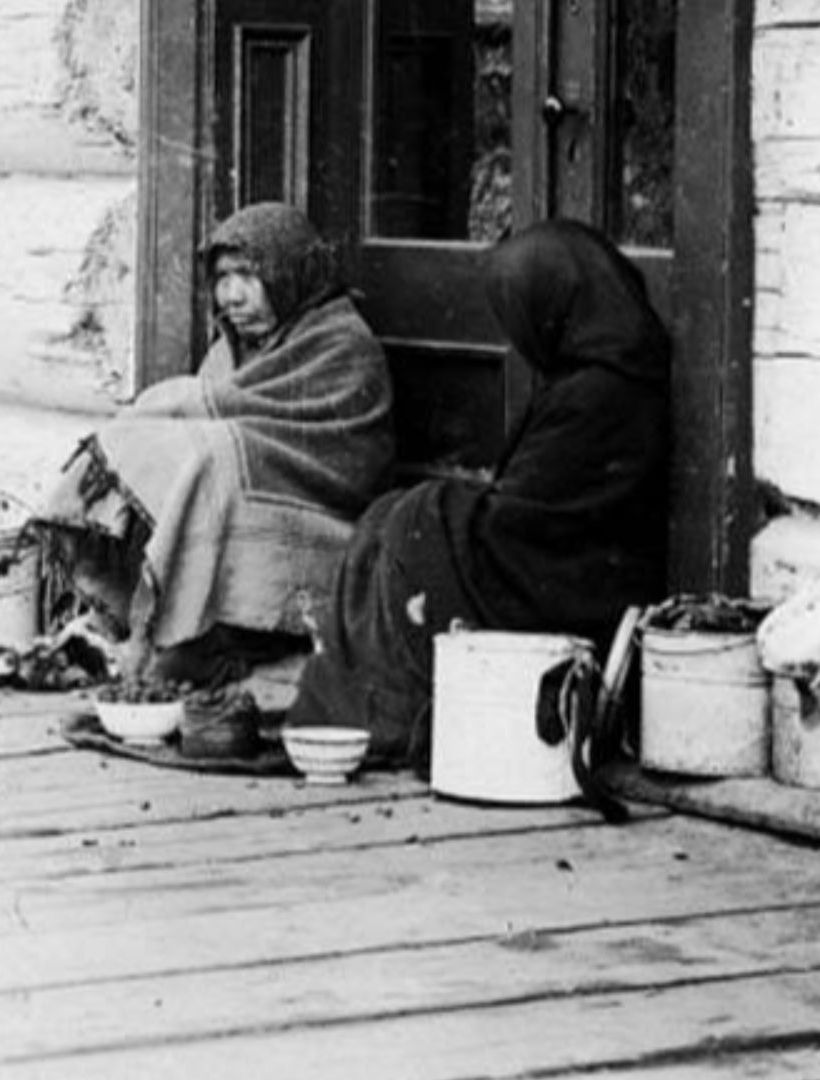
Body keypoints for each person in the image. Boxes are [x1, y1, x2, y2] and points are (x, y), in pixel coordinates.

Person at [286, 219, 672, 769]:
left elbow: (535, 522)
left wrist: (435, 508)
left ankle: (386, 715)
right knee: (397, 516)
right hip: (554, 562)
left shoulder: (604, 395)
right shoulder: (598, 376)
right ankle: (371, 704)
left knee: (409, 526)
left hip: (576, 585)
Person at [34, 201, 395, 685]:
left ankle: (194, 634)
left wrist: (201, 424)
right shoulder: (230, 353)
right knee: (159, 446)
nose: (232, 296)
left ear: (290, 272)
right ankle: (144, 617)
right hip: (247, 505)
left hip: (321, 515)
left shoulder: (343, 346)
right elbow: (216, 417)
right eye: (223, 278)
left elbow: (343, 464)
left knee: (212, 461)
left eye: (248, 274)